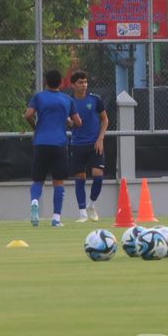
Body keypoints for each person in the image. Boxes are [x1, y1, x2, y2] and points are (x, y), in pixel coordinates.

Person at [24, 70, 82, 227]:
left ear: (46, 82)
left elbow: (28, 114)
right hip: (59, 143)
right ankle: (56, 218)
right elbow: (78, 122)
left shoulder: (39, 97)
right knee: (58, 182)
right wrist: (68, 122)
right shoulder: (67, 99)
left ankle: (35, 201)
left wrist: (36, 127)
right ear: (61, 83)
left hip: (41, 142)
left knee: (38, 179)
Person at [68, 70, 109, 223]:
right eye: (80, 82)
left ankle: (92, 205)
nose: (84, 85)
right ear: (73, 85)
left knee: (98, 175)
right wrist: (69, 123)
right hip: (77, 144)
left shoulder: (95, 99)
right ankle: (82, 214)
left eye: (85, 82)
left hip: (95, 144)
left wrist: (100, 138)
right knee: (80, 178)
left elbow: (105, 120)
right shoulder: (69, 102)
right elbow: (70, 122)